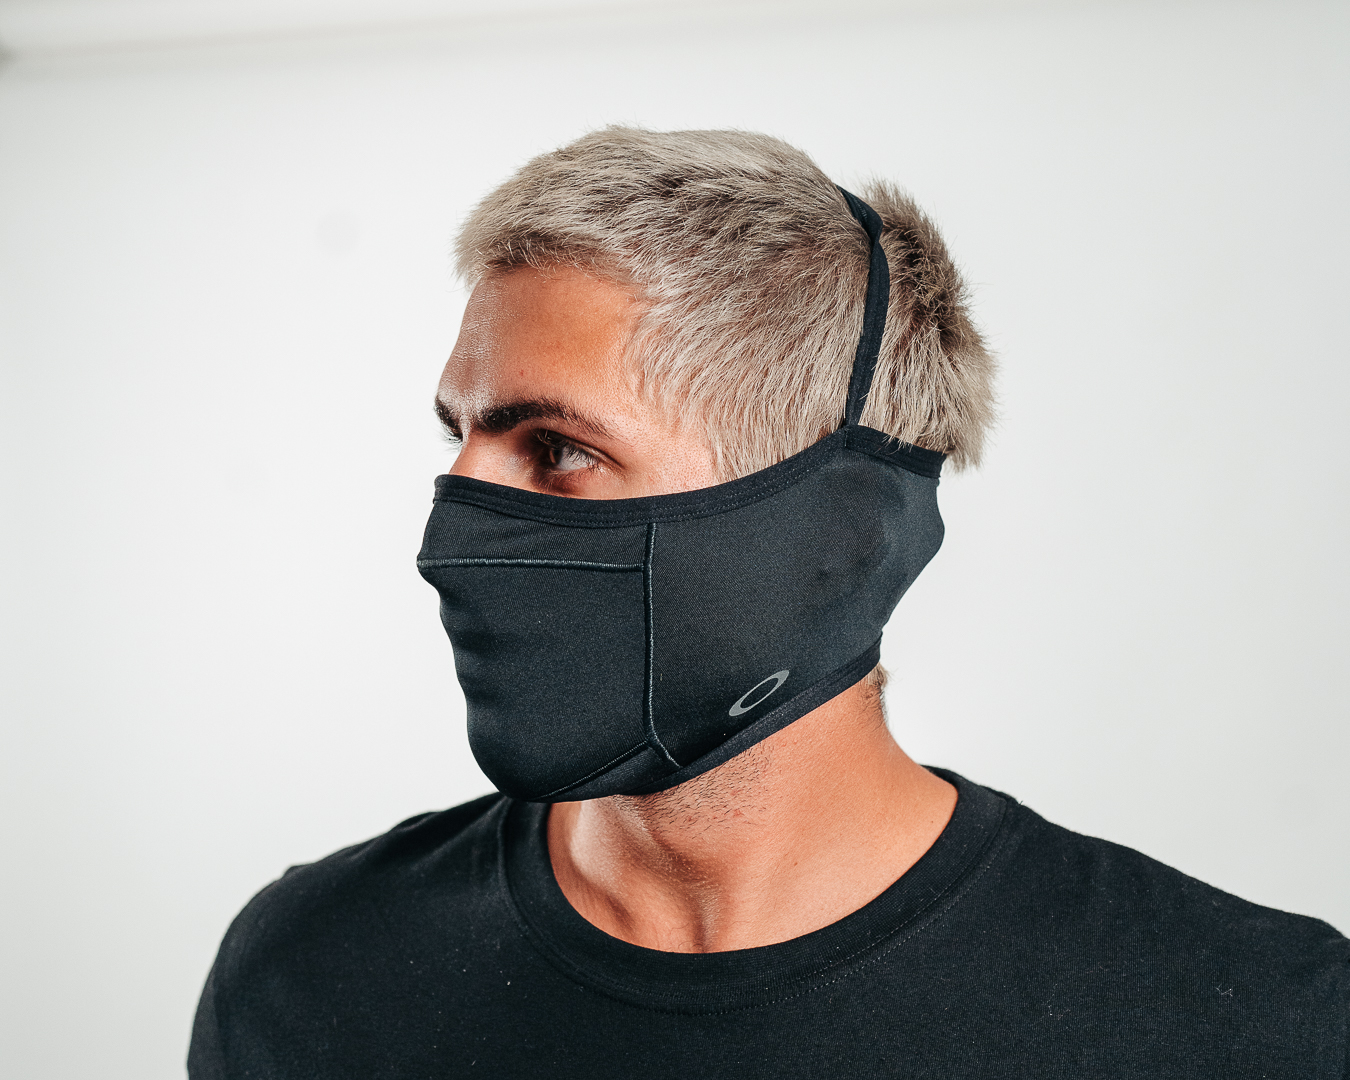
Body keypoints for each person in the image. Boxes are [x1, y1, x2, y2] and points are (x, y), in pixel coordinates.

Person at [189, 128, 1348, 1078]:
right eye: (461, 442)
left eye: (557, 448)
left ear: (834, 533)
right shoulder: (310, 973)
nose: (448, 539)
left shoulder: (1254, 1023)